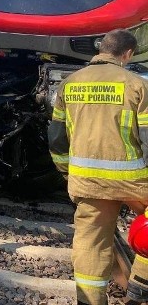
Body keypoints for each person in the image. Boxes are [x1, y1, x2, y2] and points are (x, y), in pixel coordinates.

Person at [49, 29, 148, 305]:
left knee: (91, 242)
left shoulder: (69, 84)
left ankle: (90, 300)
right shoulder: (137, 85)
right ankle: (141, 287)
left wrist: (68, 172)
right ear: (127, 54)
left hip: (88, 181)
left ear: (101, 49)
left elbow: (56, 138)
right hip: (135, 182)